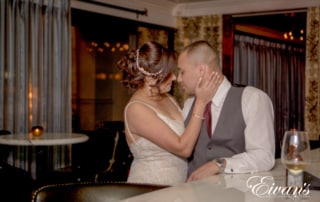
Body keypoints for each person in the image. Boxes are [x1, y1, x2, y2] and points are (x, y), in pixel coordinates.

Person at [117, 41, 222, 185]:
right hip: (150, 188)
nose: (174, 78)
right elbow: (183, 148)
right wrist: (201, 102)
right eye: (168, 74)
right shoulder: (136, 109)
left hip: (178, 187)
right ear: (149, 77)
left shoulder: (168, 98)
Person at [176, 40, 275, 182]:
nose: (178, 79)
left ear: (201, 70)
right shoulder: (189, 104)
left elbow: (264, 156)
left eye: (182, 71)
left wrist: (220, 164)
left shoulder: (252, 99)